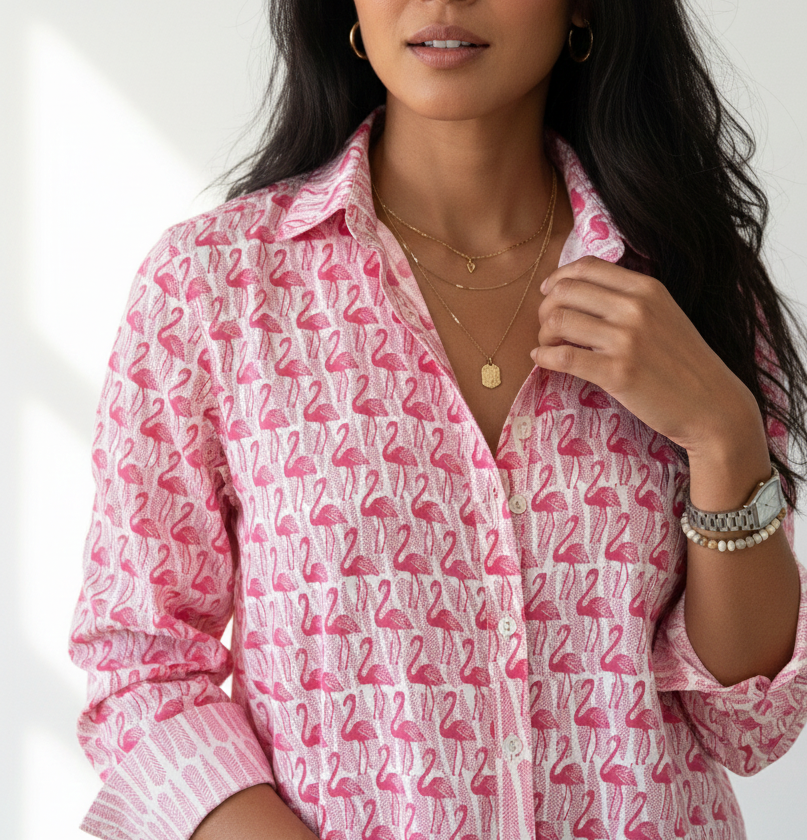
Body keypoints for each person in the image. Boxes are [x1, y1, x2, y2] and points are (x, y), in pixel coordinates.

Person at [68, 1, 807, 838]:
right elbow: (143, 668)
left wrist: (724, 436)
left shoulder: (689, 287)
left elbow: (747, 725)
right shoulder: (215, 290)